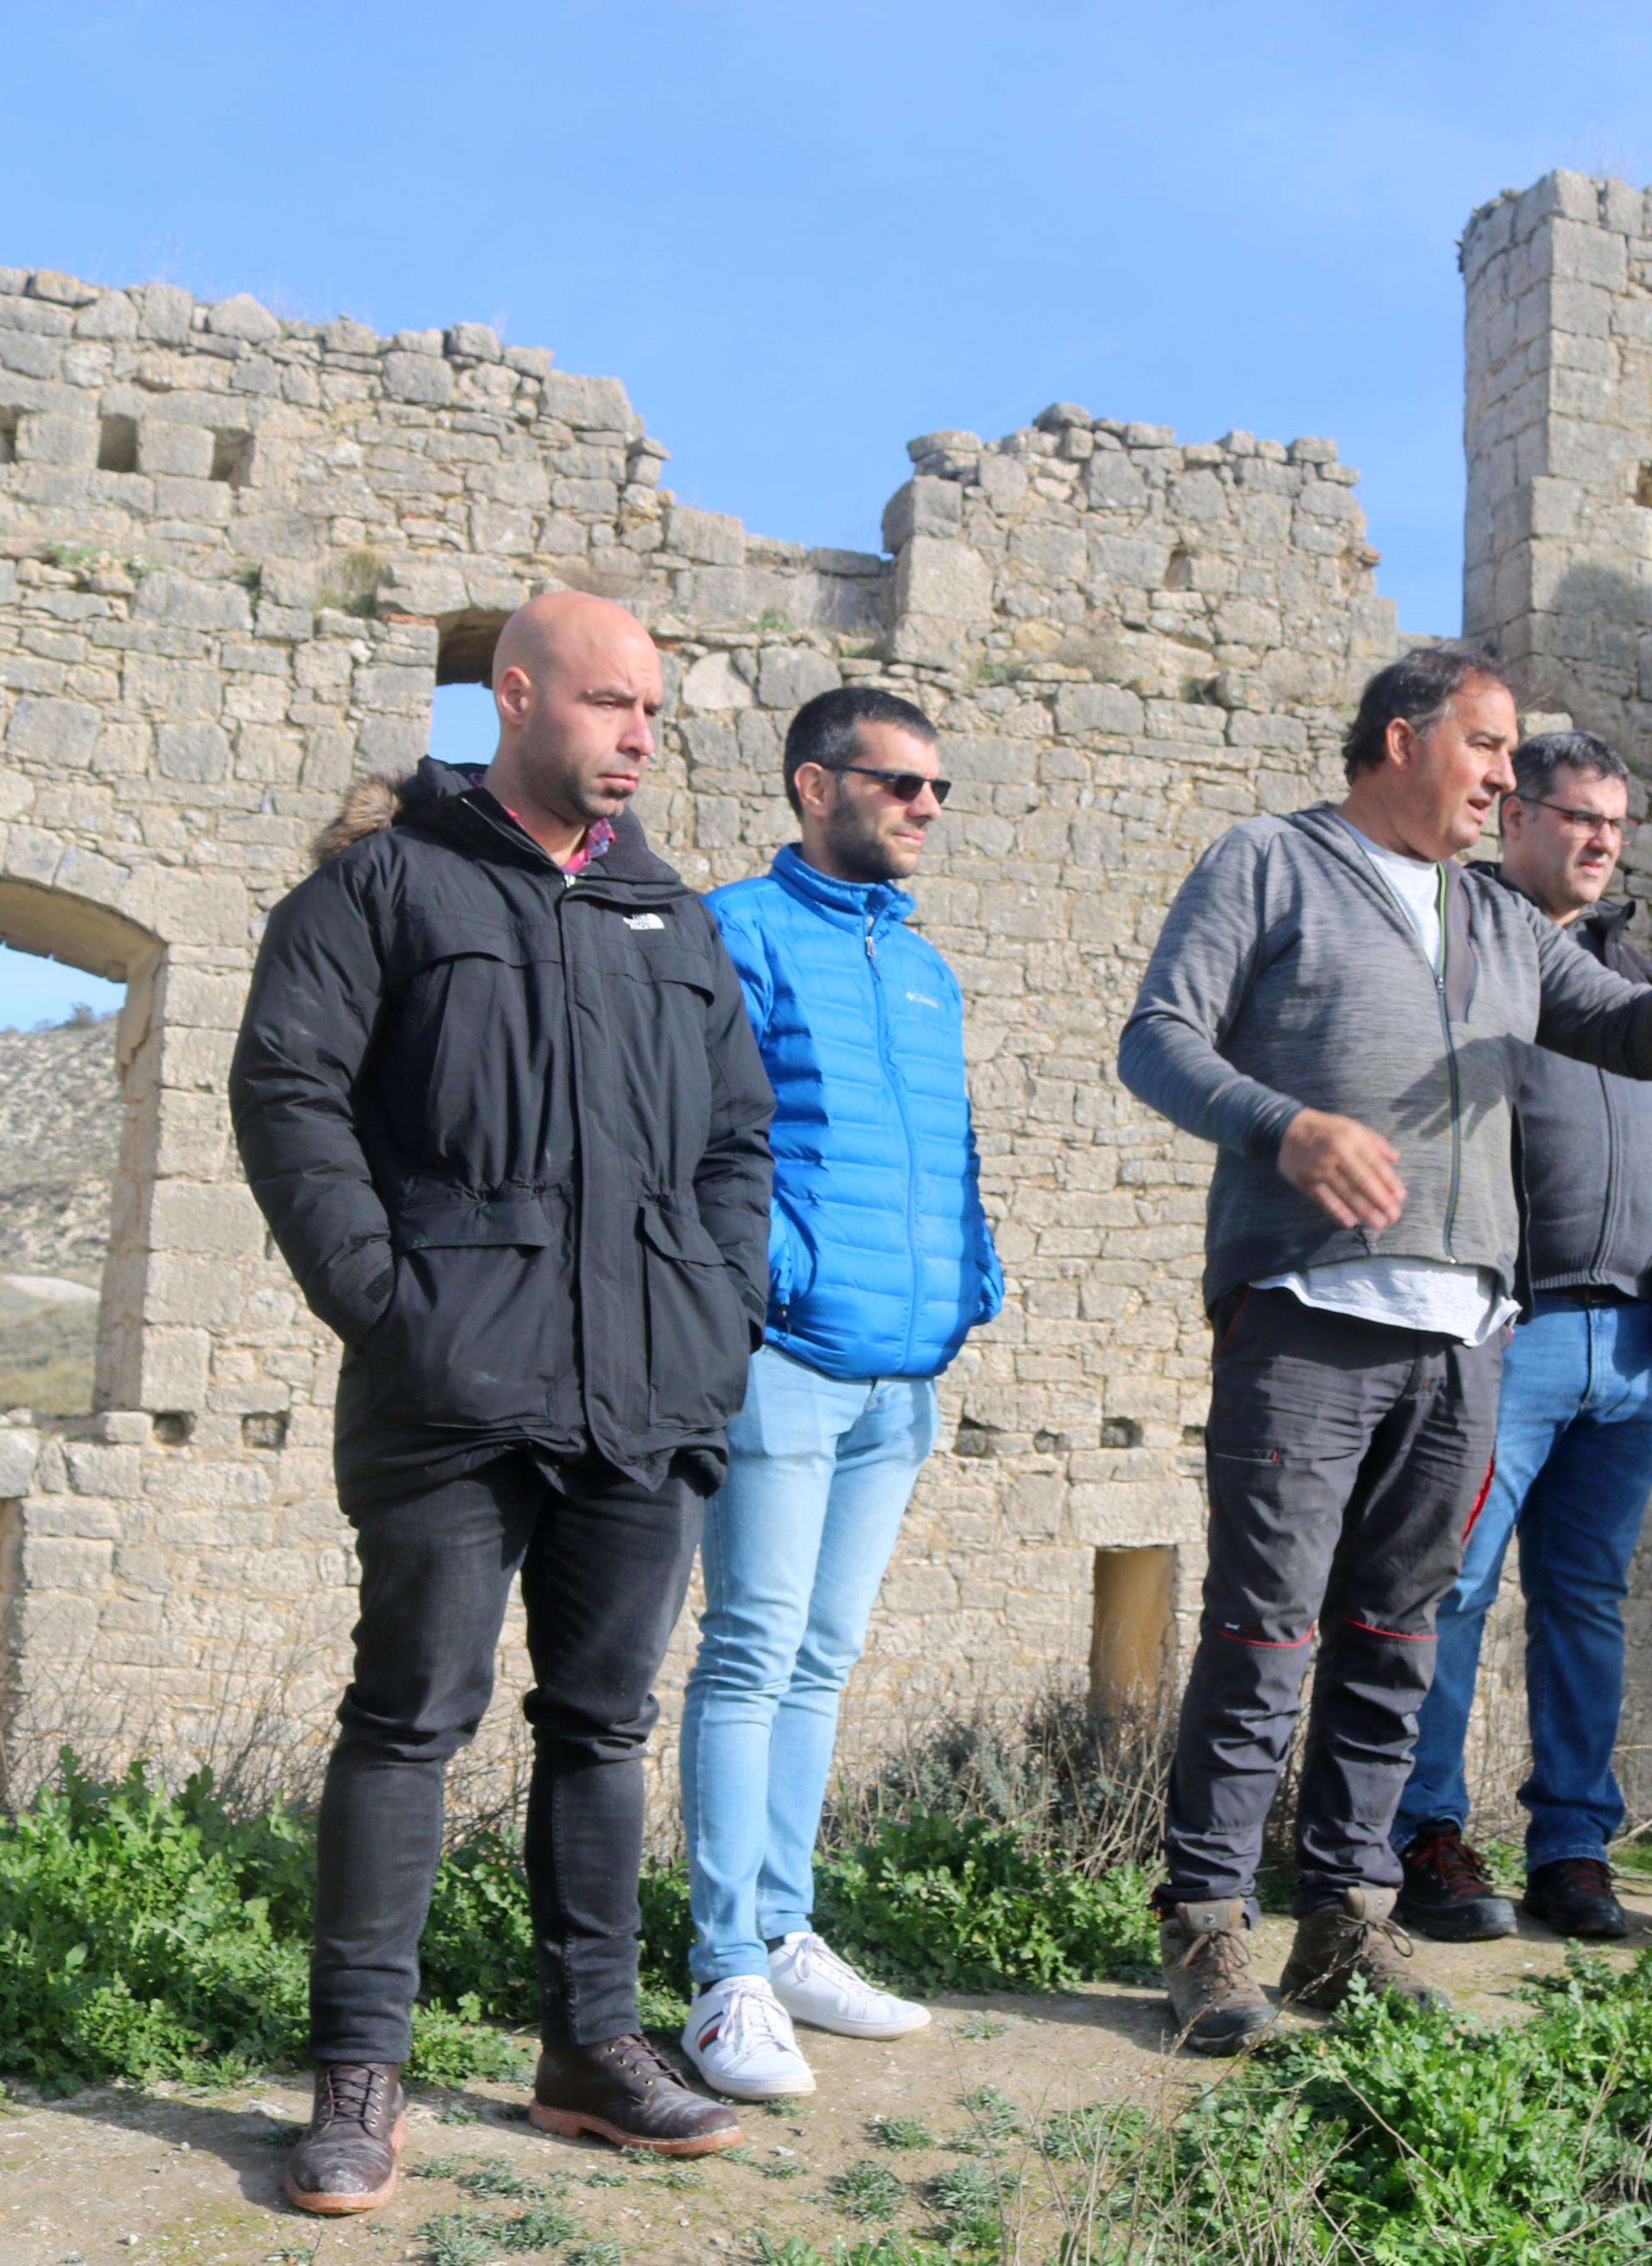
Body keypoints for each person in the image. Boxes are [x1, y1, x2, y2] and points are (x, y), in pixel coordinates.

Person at [1117, 647, 1652, 2052]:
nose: (1505, 776)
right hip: (1308, 1312)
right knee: (1263, 1628)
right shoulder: (1268, 863)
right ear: (1402, 741)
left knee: (1392, 1638)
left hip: (1465, 1332)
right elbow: (1155, 1041)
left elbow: (1635, 1042)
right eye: (1486, 748)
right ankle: (1206, 1923)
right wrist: (1283, 1126)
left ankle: (1346, 1917)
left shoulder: (1496, 915)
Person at [230, 591, 772, 2210]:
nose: (637, 735)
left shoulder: (671, 920)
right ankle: (356, 2076)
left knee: (605, 1728)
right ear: (515, 696)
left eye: (652, 713)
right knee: (408, 1722)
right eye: (610, 704)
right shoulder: (387, 884)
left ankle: (589, 2046)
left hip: (648, 1391)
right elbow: (285, 1088)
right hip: (450, 1388)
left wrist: (718, 1310)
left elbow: (737, 1139)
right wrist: (385, 1305)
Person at [677, 687, 1002, 2099]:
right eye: (901, 784)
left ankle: (785, 1929)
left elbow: (951, 1146)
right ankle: (721, 1976)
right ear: (815, 786)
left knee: (819, 1661)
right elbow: (693, 1136)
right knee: (748, 1653)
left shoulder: (921, 968)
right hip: (786, 1362)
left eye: (938, 788)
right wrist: (782, 1276)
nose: (928, 806)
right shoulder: (734, 931)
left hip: (902, 1375)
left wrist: (972, 1276)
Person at [1386, 731, 1652, 1946]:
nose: (1599, 839)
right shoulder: (1464, 941)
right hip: (1509, 1330)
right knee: (1453, 1588)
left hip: (1636, 1344)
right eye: (1578, 816)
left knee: (1584, 1601)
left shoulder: (1628, 969)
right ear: (1513, 819)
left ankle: (1572, 1846)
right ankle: (1421, 1834)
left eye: (1615, 823)